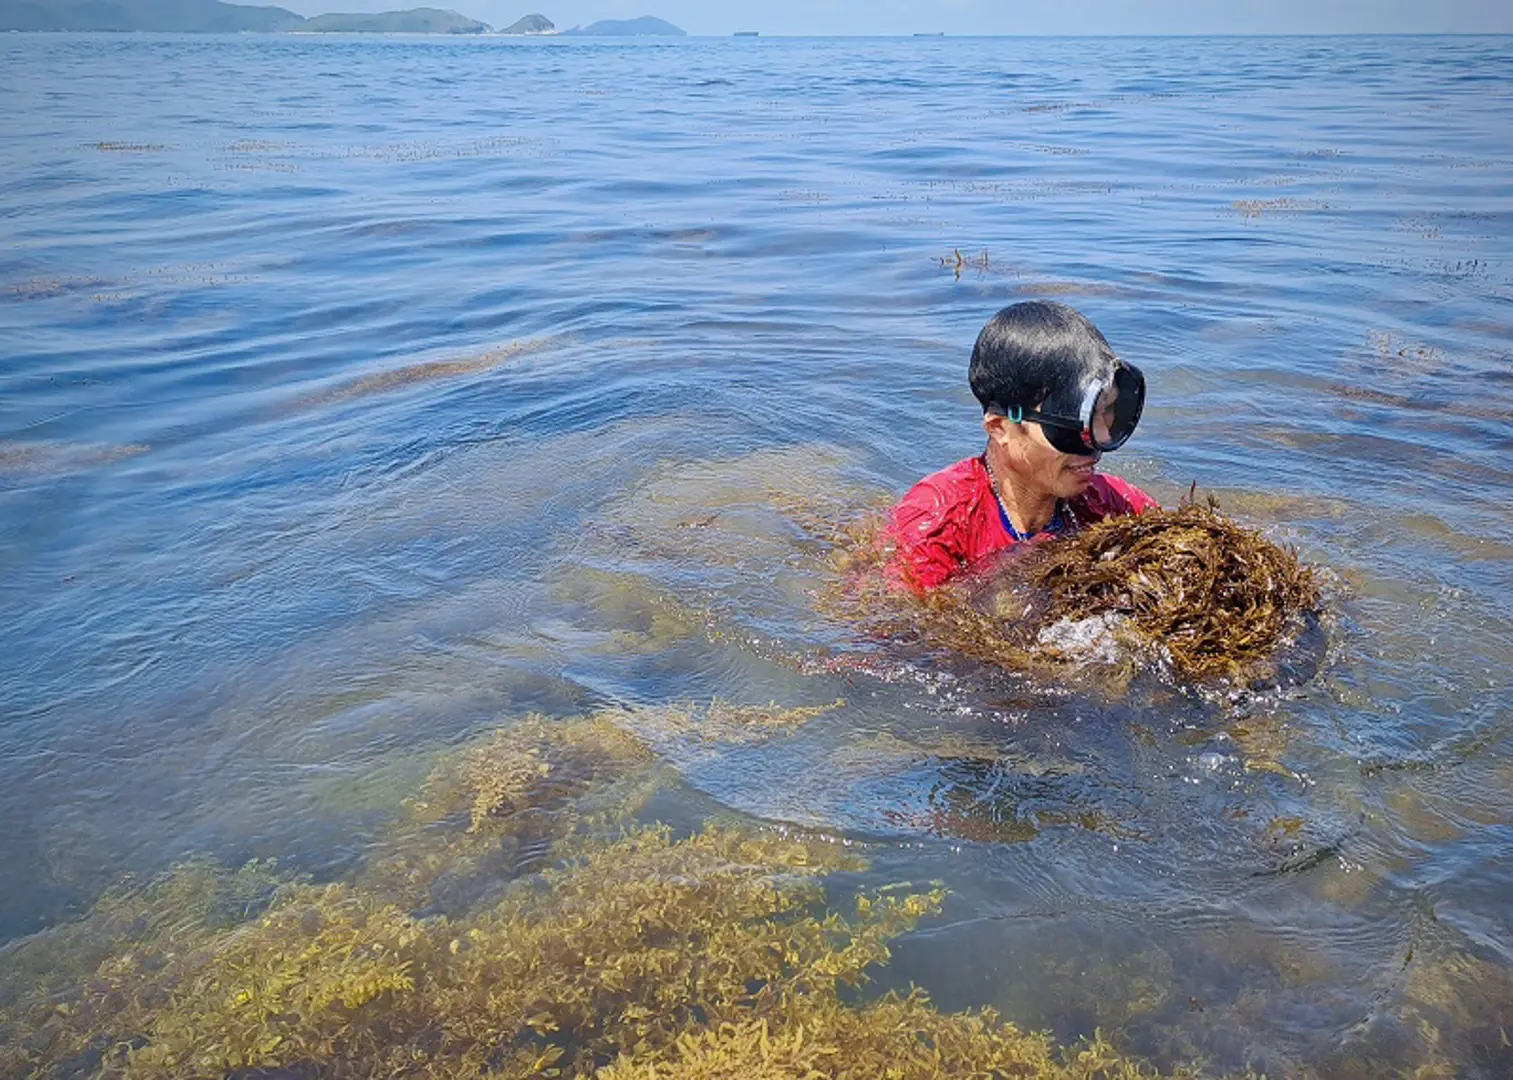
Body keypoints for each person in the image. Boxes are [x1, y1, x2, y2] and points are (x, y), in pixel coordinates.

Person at [888, 301, 1158, 591]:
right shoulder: (936, 524)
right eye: (1071, 424)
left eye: (1107, 412)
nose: (1098, 443)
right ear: (1000, 428)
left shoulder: (1111, 506)